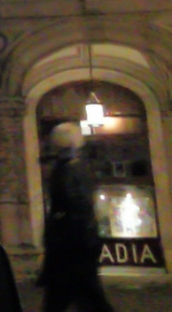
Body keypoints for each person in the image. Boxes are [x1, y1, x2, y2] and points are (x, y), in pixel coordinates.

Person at [38, 122, 116, 312]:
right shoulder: (77, 165)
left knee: (72, 294)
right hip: (77, 240)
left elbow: (72, 202)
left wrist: (56, 233)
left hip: (71, 242)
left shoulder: (68, 168)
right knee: (78, 294)